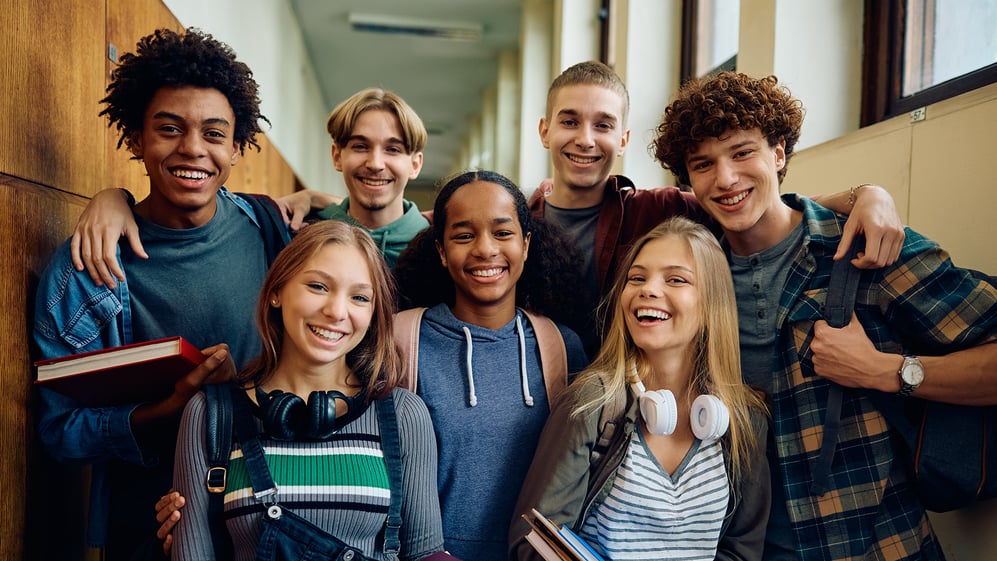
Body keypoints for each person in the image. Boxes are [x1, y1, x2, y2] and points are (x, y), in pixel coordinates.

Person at [651, 70, 997, 561]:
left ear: (779, 152)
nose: (725, 178)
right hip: (739, 547)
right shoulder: (696, 280)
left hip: (876, 546)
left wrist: (885, 371)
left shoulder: (866, 248)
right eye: (703, 164)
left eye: (742, 152)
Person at [32, 27, 290, 560]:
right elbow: (61, 432)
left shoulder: (269, 228)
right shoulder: (83, 269)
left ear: (236, 147)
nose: (193, 148)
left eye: (214, 134)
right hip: (151, 517)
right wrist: (167, 408)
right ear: (135, 139)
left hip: (274, 502)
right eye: (169, 129)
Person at [530, 60, 905, 355]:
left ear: (623, 139)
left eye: (603, 125)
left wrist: (866, 196)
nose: (585, 139)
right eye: (570, 121)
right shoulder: (518, 224)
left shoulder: (658, 209)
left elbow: (758, 205)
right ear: (545, 131)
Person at [171, 220, 444, 561]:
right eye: (318, 286)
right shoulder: (209, 415)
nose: (336, 312)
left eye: (360, 297)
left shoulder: (402, 414)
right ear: (276, 291)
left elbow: (425, 554)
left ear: (373, 313)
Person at [509, 217, 771, 560]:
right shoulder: (591, 403)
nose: (648, 289)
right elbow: (532, 542)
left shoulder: (744, 419)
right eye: (637, 278)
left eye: (675, 279)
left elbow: (742, 551)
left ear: (712, 304)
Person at [389, 170, 589, 561]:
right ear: (442, 250)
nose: (485, 249)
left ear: (525, 244)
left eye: (502, 233)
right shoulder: (401, 340)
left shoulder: (561, 347)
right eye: (464, 235)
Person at [70, 86, 427, 284]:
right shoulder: (298, 229)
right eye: (360, 146)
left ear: (415, 164)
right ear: (337, 156)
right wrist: (113, 198)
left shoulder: (438, 246)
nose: (375, 163)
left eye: (393, 149)